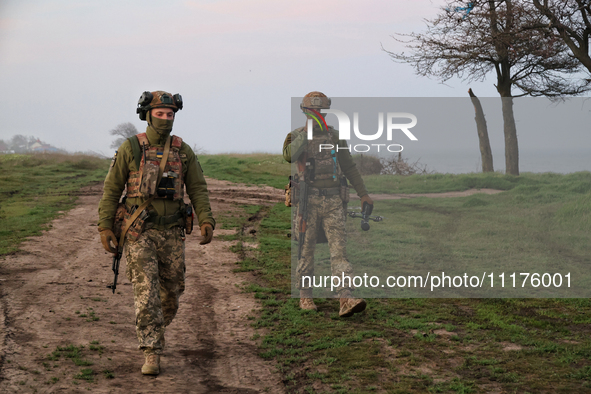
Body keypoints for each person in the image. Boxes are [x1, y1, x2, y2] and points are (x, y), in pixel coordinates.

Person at [97, 90, 215, 375]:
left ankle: (154, 328)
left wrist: (206, 219)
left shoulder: (182, 151)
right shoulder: (131, 148)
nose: (165, 119)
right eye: (160, 114)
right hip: (139, 231)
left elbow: (197, 188)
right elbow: (112, 189)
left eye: (170, 114)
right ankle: (151, 351)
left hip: (173, 233)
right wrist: (104, 226)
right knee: (146, 292)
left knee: (172, 292)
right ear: (147, 115)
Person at [283, 91, 373, 317]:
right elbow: (289, 156)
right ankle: (305, 295)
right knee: (306, 250)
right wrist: (308, 133)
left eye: (320, 111)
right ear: (305, 111)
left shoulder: (335, 136)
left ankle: (345, 297)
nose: (317, 114)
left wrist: (363, 194)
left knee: (339, 251)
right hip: (307, 201)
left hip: (333, 200)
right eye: (312, 111)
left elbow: (349, 166)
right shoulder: (295, 136)